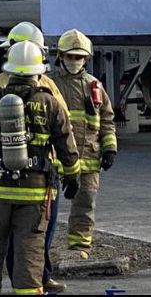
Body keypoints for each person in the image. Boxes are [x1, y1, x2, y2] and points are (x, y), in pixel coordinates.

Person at [0, 41, 81, 295]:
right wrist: (73, 176)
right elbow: (66, 145)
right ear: (38, 72)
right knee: (30, 248)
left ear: (10, 70)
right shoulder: (49, 103)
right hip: (34, 192)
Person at [50, 29, 117, 259]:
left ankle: (80, 248)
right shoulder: (50, 84)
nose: (74, 61)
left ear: (86, 59)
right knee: (45, 205)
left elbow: (107, 119)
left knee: (85, 203)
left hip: (88, 156)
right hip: (56, 157)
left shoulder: (94, 86)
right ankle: (39, 248)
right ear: (61, 56)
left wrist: (110, 148)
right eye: (70, 56)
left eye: (79, 57)